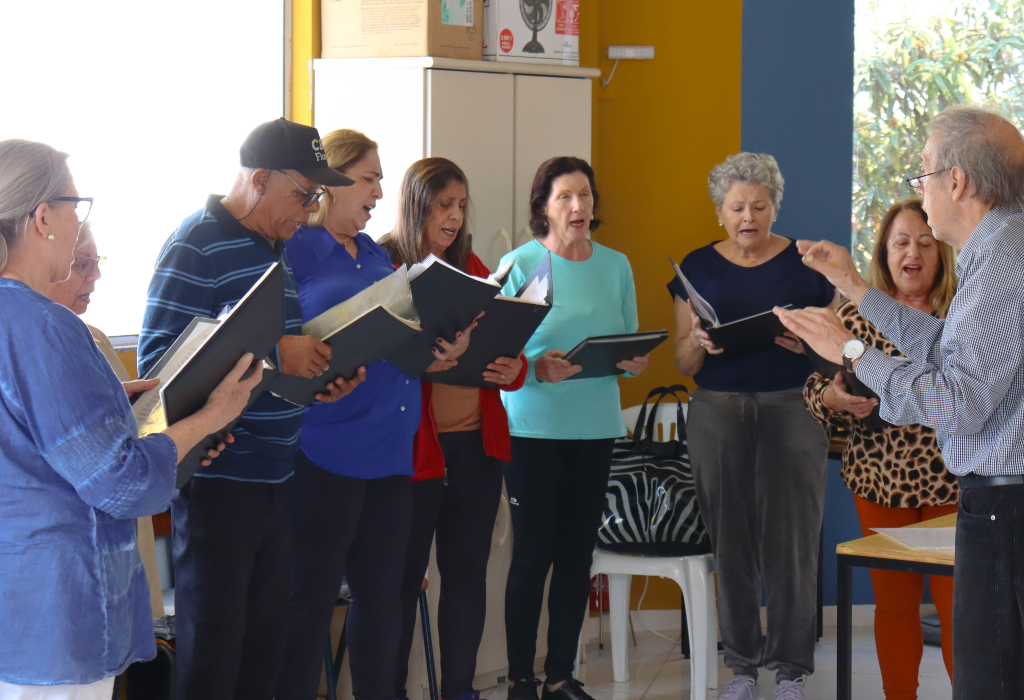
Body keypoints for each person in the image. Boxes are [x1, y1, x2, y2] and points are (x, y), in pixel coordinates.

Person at [776, 105, 1024, 700]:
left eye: (923, 176)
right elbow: (944, 348)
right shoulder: (998, 248)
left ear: (957, 182)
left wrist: (851, 349)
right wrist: (857, 291)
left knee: (988, 684)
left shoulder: (1000, 268)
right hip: (1001, 500)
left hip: (1007, 505)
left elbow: (958, 400)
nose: (922, 192)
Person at [0, 140, 259, 698]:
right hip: (57, 609)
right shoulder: (45, 326)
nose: (79, 221)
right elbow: (118, 481)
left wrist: (114, 398)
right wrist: (213, 415)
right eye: (77, 206)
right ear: (43, 217)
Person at [139, 118, 362, 700]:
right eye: (302, 194)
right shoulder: (196, 243)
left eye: (318, 196)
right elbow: (159, 369)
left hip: (277, 477)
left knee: (265, 653)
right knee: (214, 655)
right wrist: (274, 351)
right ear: (259, 179)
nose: (309, 210)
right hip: (219, 483)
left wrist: (311, 383)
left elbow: (259, 374)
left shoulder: (274, 245)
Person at [274, 136, 476, 700]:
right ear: (331, 183)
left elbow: (401, 339)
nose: (379, 192)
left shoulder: (379, 256)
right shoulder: (298, 250)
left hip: (392, 456)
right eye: (368, 179)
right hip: (325, 454)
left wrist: (442, 353)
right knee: (308, 601)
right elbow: (279, 347)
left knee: (385, 601)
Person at [670, 152, 834, 700]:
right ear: (720, 211)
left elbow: (841, 357)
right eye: (737, 206)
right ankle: (742, 666)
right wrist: (696, 340)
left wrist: (806, 344)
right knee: (731, 541)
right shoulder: (695, 267)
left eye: (759, 206)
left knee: (792, 541)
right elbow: (683, 363)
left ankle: (791, 669)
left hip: (794, 407)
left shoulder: (808, 264)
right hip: (717, 410)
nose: (749, 216)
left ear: (774, 207)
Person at [499, 156, 650, 700]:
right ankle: (521, 677)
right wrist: (537, 368)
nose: (578, 206)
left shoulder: (616, 265)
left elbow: (628, 342)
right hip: (533, 430)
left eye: (585, 195)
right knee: (532, 555)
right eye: (564, 197)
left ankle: (560, 675)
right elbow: (497, 356)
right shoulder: (518, 263)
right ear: (543, 207)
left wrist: (634, 361)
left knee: (576, 557)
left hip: (594, 429)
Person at [382, 158, 529, 700]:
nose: (454, 215)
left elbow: (507, 343)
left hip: (476, 449)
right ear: (417, 206)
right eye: (444, 204)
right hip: (413, 454)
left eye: (461, 205)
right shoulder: (384, 262)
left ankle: (459, 691)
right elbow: (376, 357)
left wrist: (518, 370)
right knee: (398, 583)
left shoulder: (472, 264)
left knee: (466, 578)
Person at [802, 199, 958, 699]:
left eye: (925, 242)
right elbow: (813, 389)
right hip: (879, 483)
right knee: (893, 606)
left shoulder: (962, 314)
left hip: (952, 481)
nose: (913, 252)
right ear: (884, 253)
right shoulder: (850, 314)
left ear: (942, 252)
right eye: (901, 242)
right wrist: (834, 397)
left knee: (960, 607)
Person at [47, 221, 165, 620]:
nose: (95, 275)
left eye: (96, 261)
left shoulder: (92, 335)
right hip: (73, 560)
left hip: (123, 543)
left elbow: (130, 432)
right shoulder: (33, 342)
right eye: (82, 263)